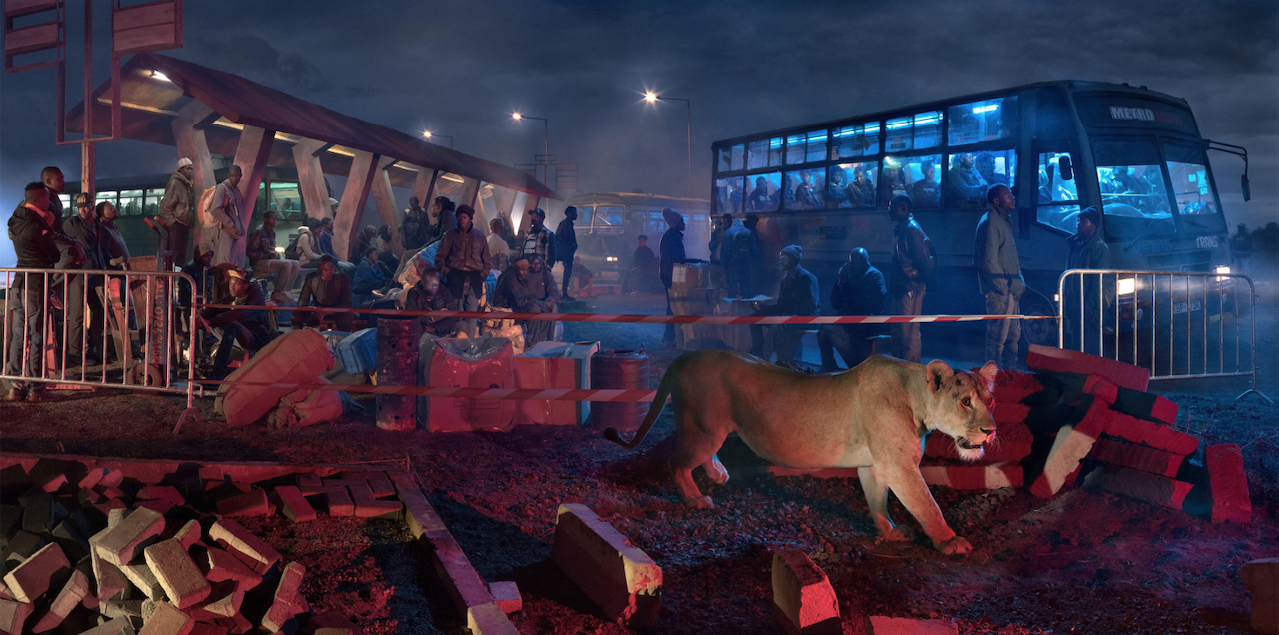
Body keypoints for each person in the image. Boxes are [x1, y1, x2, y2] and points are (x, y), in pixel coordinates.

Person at [4, 183, 67, 401]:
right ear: (41, 200)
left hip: (18, 284)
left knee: (18, 337)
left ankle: (15, 387)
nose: (49, 202)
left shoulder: (15, 220)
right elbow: (54, 255)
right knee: (37, 336)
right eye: (47, 198)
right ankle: (36, 389)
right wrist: (48, 228)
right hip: (35, 286)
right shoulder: (36, 225)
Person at [975, 184, 1023, 368]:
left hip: (1010, 291)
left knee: (1012, 337)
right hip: (1000, 293)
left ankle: (1009, 374)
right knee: (997, 338)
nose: (1012, 197)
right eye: (1007, 195)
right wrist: (1003, 288)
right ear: (996, 201)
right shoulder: (991, 222)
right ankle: (993, 377)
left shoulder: (1001, 220)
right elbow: (988, 261)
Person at [818, 248, 886, 372]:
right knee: (823, 332)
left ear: (865, 261)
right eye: (852, 263)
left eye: (857, 262)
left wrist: (853, 283)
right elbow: (836, 304)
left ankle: (855, 365)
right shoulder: (850, 276)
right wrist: (840, 280)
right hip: (849, 321)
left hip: (867, 322)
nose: (854, 266)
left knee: (829, 330)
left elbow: (871, 304)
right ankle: (829, 366)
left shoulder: (874, 275)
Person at [749, 244, 819, 364]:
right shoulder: (785, 279)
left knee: (778, 324)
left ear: (794, 259)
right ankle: (757, 350)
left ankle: (763, 358)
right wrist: (763, 308)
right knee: (754, 318)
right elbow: (781, 306)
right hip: (788, 317)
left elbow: (811, 306)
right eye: (781, 256)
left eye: (785, 257)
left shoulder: (806, 277)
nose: (780, 259)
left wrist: (788, 315)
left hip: (806, 318)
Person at [62, 193, 109, 366]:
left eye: (86, 206)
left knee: (100, 312)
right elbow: (66, 245)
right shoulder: (72, 223)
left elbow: (102, 249)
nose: (82, 210)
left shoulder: (98, 226)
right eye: (79, 207)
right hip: (79, 274)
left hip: (95, 274)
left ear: (92, 206)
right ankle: (75, 353)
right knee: (77, 314)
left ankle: (90, 348)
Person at [887, 194, 934, 363]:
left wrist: (915, 281)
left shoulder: (911, 230)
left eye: (892, 207)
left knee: (909, 331)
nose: (889, 210)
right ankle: (900, 365)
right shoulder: (905, 228)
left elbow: (925, 261)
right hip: (904, 286)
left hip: (910, 287)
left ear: (903, 209)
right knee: (900, 330)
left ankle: (910, 367)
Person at [202, 268, 273, 380]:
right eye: (231, 284)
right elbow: (219, 304)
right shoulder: (236, 294)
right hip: (240, 335)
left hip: (256, 337)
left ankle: (218, 373)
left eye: (236, 284)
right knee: (202, 321)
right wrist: (201, 315)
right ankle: (199, 362)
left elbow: (238, 314)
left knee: (232, 324)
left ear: (245, 286)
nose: (232, 287)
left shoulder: (255, 297)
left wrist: (212, 321)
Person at [434, 204, 490, 337]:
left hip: (474, 279)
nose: (462, 219)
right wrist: (446, 271)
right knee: (456, 314)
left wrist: (483, 274)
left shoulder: (480, 237)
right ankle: (457, 341)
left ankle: (468, 343)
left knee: (471, 314)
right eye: (459, 217)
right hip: (455, 277)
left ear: (470, 218)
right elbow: (439, 257)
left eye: (464, 217)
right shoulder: (450, 235)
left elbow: (487, 260)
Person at [1064, 206, 1112, 350]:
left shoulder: (1099, 249)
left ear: (1094, 225)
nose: (1079, 224)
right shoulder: (1076, 245)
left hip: (1089, 312)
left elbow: (1098, 284)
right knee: (1077, 347)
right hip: (1076, 307)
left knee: (1089, 349)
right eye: (1078, 220)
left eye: (1084, 221)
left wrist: (1089, 310)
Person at [495, 254, 559, 347]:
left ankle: (544, 342)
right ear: (516, 268)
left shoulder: (545, 275)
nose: (525, 272)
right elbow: (518, 300)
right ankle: (532, 344)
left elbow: (553, 292)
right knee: (535, 308)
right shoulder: (511, 277)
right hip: (509, 307)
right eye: (523, 269)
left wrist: (549, 301)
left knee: (550, 307)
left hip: (524, 303)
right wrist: (540, 303)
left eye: (538, 263)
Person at [247, 211, 300, 303]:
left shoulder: (271, 233)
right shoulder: (258, 232)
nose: (275, 221)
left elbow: (272, 249)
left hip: (269, 260)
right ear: (266, 219)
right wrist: (266, 254)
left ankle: (284, 292)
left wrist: (275, 254)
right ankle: (277, 293)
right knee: (286, 264)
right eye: (272, 219)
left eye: (275, 219)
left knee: (295, 264)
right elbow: (251, 252)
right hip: (259, 262)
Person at [293, 255, 354, 332]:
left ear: (333, 269)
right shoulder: (312, 277)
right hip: (317, 311)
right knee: (297, 314)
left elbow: (347, 303)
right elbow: (303, 299)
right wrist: (313, 310)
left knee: (347, 316)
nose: (322, 273)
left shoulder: (342, 278)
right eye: (320, 269)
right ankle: (297, 337)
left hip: (336, 312)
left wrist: (332, 311)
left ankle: (342, 338)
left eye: (326, 270)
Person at [402, 263, 460, 337]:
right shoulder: (414, 293)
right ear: (423, 282)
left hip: (440, 329)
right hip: (422, 328)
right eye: (430, 284)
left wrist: (436, 328)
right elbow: (410, 317)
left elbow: (454, 314)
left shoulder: (443, 290)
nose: (434, 287)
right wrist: (432, 318)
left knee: (462, 325)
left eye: (436, 284)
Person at [659, 207, 690, 345]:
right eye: (682, 222)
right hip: (674, 274)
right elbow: (678, 259)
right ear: (676, 223)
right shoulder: (674, 237)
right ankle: (670, 335)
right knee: (674, 305)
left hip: (669, 273)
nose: (684, 224)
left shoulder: (670, 236)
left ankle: (670, 335)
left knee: (672, 304)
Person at [159, 157, 196, 266]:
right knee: (175, 254)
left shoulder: (187, 184)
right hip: (177, 223)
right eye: (187, 168)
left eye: (191, 169)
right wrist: (173, 223)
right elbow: (165, 206)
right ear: (181, 170)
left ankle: (177, 274)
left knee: (181, 255)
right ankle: (171, 273)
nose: (190, 171)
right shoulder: (175, 183)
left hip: (184, 223)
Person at [206, 165, 245, 266]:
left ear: (240, 176)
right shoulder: (222, 188)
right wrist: (230, 224)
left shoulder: (236, 190)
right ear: (228, 175)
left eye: (237, 175)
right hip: (225, 231)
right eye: (232, 175)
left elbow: (239, 212)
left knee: (231, 263)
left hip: (234, 231)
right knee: (224, 262)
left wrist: (240, 228)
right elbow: (215, 209)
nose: (235, 178)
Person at [727, 214, 762, 298]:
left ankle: (732, 303)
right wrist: (753, 260)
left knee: (732, 286)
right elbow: (755, 249)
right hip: (746, 263)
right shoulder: (750, 232)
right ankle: (746, 302)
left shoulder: (731, 232)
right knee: (745, 285)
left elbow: (727, 249)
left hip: (734, 263)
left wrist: (725, 262)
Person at [556, 206, 579, 300]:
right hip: (566, 252)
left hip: (567, 252)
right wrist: (570, 246)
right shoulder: (565, 224)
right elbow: (560, 238)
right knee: (567, 273)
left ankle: (564, 293)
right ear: (569, 214)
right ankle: (564, 293)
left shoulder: (566, 224)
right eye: (574, 213)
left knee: (567, 273)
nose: (576, 215)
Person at [97, 201, 129, 268]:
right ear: (102, 213)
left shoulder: (113, 226)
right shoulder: (103, 229)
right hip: (116, 271)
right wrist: (113, 262)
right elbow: (105, 251)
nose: (115, 210)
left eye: (114, 208)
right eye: (111, 208)